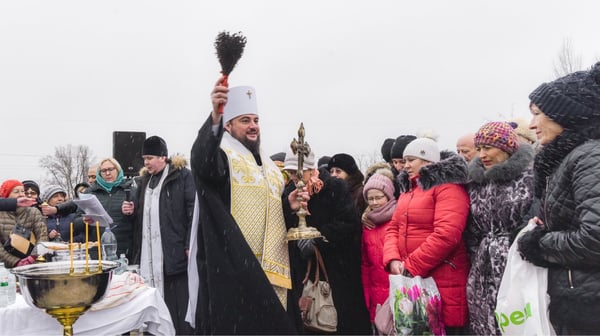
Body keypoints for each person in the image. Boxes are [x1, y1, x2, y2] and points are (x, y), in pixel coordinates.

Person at [187, 78, 295, 334]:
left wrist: (288, 204)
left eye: (255, 120)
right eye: (245, 120)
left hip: (271, 271)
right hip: (233, 267)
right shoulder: (224, 157)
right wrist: (215, 114)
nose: (253, 126)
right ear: (228, 126)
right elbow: (202, 162)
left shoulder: (268, 165)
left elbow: (273, 210)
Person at [517, 62, 600, 334]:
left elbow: (594, 238)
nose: (531, 124)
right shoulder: (567, 158)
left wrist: (539, 244)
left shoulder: (589, 157)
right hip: (578, 298)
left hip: (589, 307)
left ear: (564, 115)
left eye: (537, 114)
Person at [382, 137, 470, 334]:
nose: (405, 167)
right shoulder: (408, 192)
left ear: (427, 160)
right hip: (413, 280)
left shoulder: (448, 188)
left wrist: (411, 266)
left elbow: (447, 234)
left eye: (410, 160)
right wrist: (393, 259)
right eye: (404, 161)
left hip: (442, 281)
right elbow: (393, 228)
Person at [283, 148, 371, 334]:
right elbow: (284, 225)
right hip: (304, 271)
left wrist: (317, 239)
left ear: (310, 169)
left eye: (296, 172)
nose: (293, 177)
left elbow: (349, 223)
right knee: (309, 320)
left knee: (340, 322)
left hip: (337, 269)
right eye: (290, 172)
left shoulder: (334, 187)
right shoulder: (290, 191)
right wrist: (290, 209)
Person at [465, 121, 535, 335]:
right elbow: (473, 227)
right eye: (479, 149)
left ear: (506, 148)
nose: (482, 154)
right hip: (482, 262)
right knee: (483, 316)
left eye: (488, 148)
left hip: (517, 258)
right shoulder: (477, 182)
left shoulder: (529, 177)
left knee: (516, 317)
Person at [129, 135, 195, 335]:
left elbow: (193, 210)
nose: (146, 162)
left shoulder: (182, 176)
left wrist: (188, 242)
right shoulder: (144, 181)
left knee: (177, 303)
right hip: (149, 252)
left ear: (163, 156)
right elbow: (141, 215)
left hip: (173, 251)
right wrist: (132, 209)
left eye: (150, 157)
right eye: (144, 159)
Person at [76, 158, 134, 259]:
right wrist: (83, 221)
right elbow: (75, 222)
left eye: (111, 169)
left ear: (118, 170)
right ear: (99, 173)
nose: (107, 173)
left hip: (125, 251)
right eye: (103, 171)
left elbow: (141, 220)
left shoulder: (130, 190)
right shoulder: (89, 193)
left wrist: (132, 212)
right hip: (96, 252)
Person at [360, 168, 397, 326]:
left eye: (379, 198)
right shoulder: (368, 225)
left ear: (388, 196)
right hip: (376, 292)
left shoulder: (398, 219)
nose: (374, 202)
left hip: (397, 288)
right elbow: (365, 263)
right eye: (370, 199)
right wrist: (367, 294)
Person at [0, 180, 48, 268]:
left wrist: (33, 257)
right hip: (5, 267)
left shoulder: (33, 212)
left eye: (23, 191)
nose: (21, 194)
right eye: (16, 192)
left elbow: (42, 236)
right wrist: (15, 262)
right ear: (6, 195)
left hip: (32, 265)